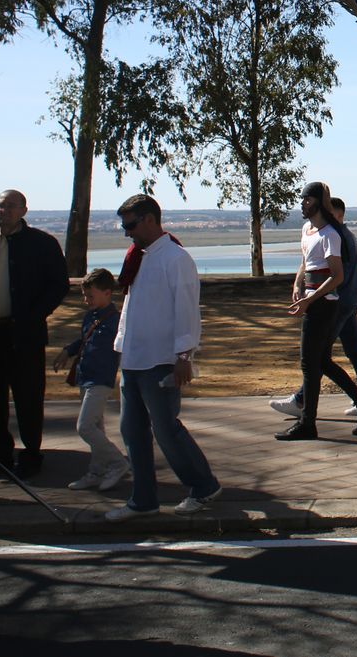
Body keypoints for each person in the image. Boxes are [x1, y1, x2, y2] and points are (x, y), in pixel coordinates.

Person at [105, 195, 222, 520]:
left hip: (161, 359)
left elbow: (186, 309)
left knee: (166, 429)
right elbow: (131, 307)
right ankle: (143, 499)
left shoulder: (175, 257)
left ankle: (203, 486)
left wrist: (184, 354)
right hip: (134, 358)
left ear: (150, 220)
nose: (127, 232)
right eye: (123, 225)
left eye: (130, 225)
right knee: (133, 431)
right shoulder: (137, 258)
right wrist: (120, 347)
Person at [0, 188, 69, 478]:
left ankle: (31, 456)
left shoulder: (41, 244)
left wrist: (34, 314)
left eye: (12, 206)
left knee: (28, 397)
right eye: (1, 206)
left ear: (24, 210)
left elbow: (58, 284)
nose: (5, 211)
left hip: (25, 335)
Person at [275, 182, 357, 440]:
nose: (302, 204)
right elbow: (305, 264)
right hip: (313, 301)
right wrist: (298, 285)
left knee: (309, 364)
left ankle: (308, 423)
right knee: (320, 362)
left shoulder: (331, 235)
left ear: (319, 202)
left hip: (324, 306)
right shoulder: (308, 230)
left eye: (307, 199)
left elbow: (337, 276)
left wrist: (310, 300)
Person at [50, 268, 129, 492]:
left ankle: (118, 463)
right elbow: (83, 339)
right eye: (85, 296)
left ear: (107, 293)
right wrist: (68, 351)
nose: (86, 300)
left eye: (90, 296)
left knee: (84, 427)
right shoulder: (91, 317)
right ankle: (97, 470)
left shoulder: (116, 321)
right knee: (96, 427)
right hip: (86, 376)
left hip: (101, 380)